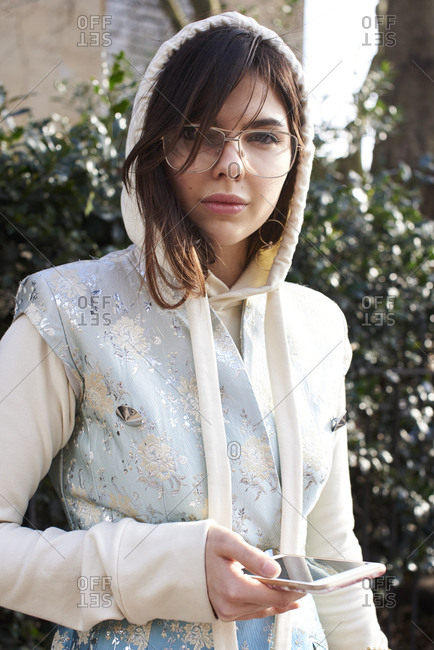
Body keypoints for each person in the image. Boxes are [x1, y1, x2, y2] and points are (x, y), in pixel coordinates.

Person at [0, 11, 389, 650]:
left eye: (264, 136)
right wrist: (166, 570)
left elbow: (332, 552)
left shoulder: (318, 326)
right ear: (156, 144)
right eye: (200, 133)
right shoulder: (69, 310)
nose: (232, 164)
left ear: (297, 156)